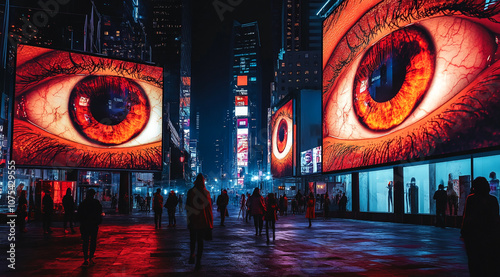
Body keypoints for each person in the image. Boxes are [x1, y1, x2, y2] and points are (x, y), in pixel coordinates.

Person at [461, 177, 500, 277]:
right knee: (490, 263)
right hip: (490, 235)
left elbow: (467, 217)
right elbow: (495, 218)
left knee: (475, 262)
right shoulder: (493, 200)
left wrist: (464, 231)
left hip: (474, 235)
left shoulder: (471, 199)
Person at [186, 173, 213, 270]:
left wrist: (189, 219)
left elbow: (187, 207)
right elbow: (209, 209)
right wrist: (210, 223)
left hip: (192, 219)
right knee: (200, 241)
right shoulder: (206, 193)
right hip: (203, 221)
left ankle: (192, 254)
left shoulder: (190, 192)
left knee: (192, 239)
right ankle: (198, 261)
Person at [78, 189, 103, 267]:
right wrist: (98, 221)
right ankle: (91, 257)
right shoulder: (96, 203)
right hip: (93, 224)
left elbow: (79, 214)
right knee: (93, 241)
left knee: (85, 242)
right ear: (93, 194)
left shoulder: (83, 203)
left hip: (85, 224)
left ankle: (85, 258)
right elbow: (99, 213)